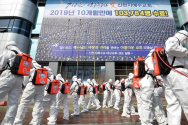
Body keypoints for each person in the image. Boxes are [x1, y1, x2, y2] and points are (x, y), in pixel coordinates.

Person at [163, 30, 188, 125]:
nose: (186, 41)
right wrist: (186, 51)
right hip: (177, 74)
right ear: (183, 36)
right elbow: (170, 48)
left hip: (172, 74)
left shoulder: (179, 46)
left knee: (173, 104)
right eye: (186, 38)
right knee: (187, 101)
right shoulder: (174, 40)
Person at [0, 41, 25, 125]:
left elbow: (0, 64)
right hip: (20, 79)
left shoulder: (8, 52)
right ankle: (8, 123)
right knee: (13, 103)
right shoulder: (24, 55)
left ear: (8, 46)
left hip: (8, 76)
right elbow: (31, 67)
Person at [139, 50, 167, 125]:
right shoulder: (151, 58)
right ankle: (145, 122)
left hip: (146, 80)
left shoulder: (147, 59)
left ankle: (161, 121)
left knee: (151, 103)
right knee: (147, 104)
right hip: (147, 80)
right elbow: (152, 68)